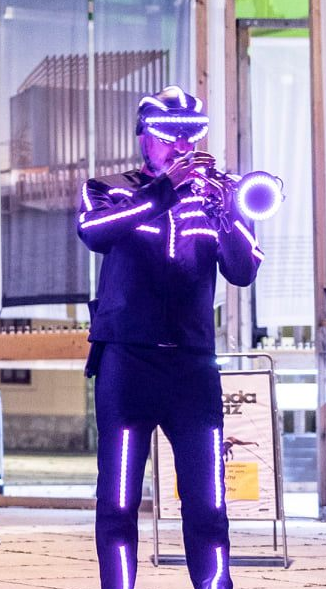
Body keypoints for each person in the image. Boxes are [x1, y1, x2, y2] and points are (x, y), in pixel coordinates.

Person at [77, 86, 261, 589]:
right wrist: (165, 191)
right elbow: (95, 232)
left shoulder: (216, 195)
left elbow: (243, 270)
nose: (180, 145)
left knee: (207, 500)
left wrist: (227, 212)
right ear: (143, 139)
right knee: (118, 498)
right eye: (167, 136)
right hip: (127, 364)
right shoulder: (110, 188)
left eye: (190, 136)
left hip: (193, 367)